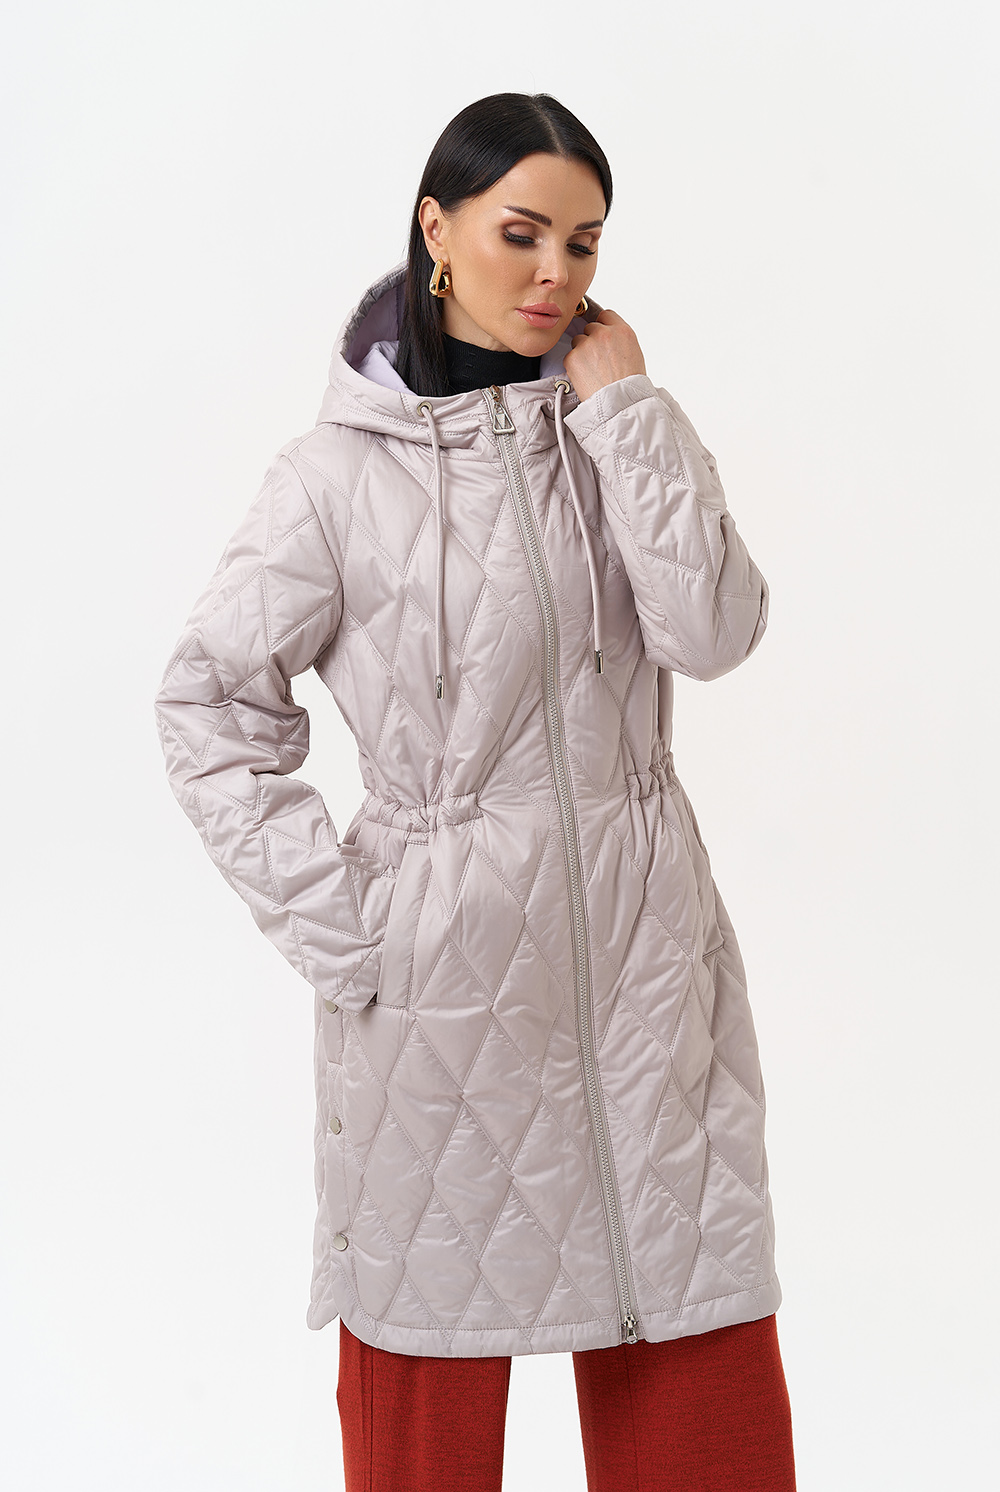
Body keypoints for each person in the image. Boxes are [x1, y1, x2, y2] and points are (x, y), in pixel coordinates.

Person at [154, 91, 796, 1491]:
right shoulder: (329, 481)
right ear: (437, 229)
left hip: (644, 976)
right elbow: (207, 704)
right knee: (428, 1391)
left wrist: (628, 415)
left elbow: (714, 633)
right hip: (436, 1003)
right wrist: (349, 929)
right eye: (523, 233)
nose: (558, 271)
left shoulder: (613, 434)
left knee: (695, 1354)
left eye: (586, 241)